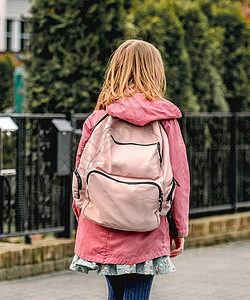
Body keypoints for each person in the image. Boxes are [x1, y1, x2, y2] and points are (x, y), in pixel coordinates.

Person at [69, 39, 190, 300]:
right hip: (148, 225)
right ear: (155, 72)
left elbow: (80, 178)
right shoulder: (165, 120)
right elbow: (179, 178)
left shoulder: (98, 118)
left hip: (103, 224)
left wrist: (84, 221)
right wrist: (179, 230)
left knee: (116, 294)